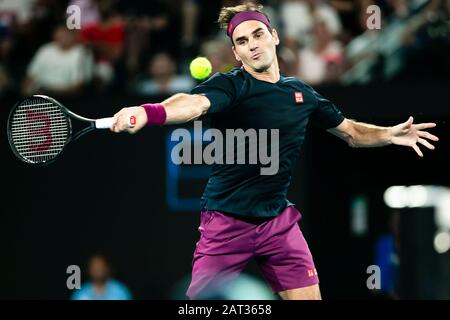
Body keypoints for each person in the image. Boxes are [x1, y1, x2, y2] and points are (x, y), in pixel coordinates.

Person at [109, 3, 439, 300]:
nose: (252, 44)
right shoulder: (230, 86)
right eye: (242, 41)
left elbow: (351, 132)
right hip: (226, 222)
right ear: (236, 54)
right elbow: (192, 104)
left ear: (274, 36)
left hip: (277, 221)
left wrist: (389, 134)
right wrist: (148, 112)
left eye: (258, 35)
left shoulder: (302, 94)